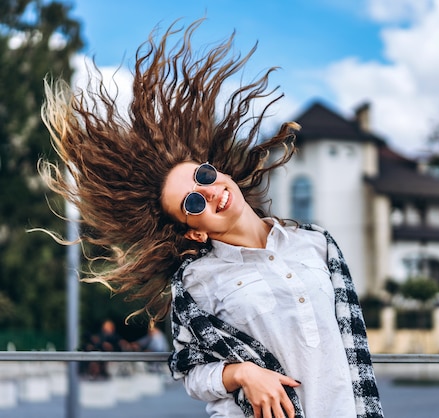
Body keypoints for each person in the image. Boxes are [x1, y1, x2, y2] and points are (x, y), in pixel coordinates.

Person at [39, 19, 384, 418]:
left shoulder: (316, 243)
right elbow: (188, 370)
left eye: (203, 175)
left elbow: (352, 341)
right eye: (192, 202)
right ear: (195, 231)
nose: (208, 191)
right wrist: (241, 374)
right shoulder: (198, 280)